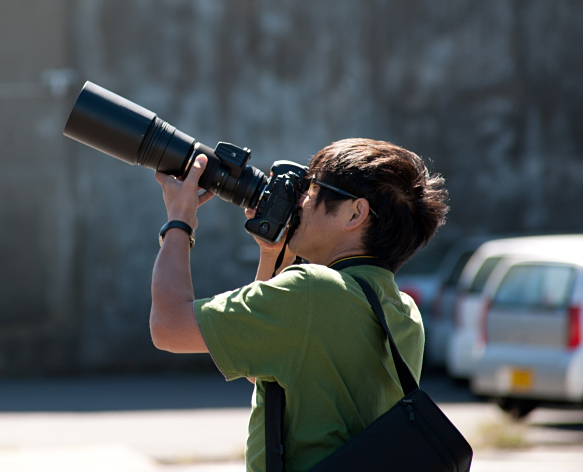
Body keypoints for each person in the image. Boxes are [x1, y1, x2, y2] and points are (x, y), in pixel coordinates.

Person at [150, 138, 449, 471]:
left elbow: (169, 326)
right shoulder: (403, 309)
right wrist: (273, 255)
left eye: (312, 188)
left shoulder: (312, 291)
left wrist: (180, 220)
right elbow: (272, 364)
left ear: (355, 213)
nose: (300, 200)